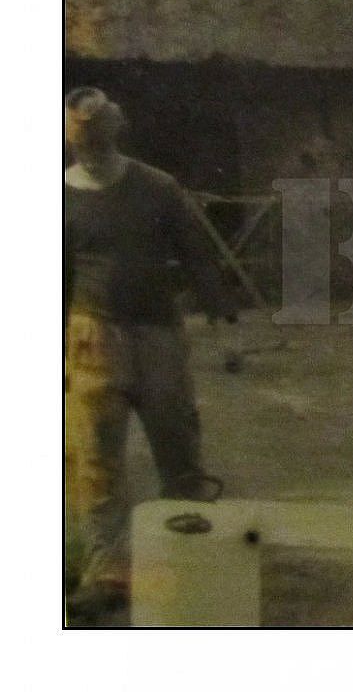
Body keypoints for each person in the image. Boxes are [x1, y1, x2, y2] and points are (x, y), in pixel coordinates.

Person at [63, 87, 238, 620]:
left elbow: (196, 252)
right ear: (70, 141)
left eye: (98, 137)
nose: (91, 149)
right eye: (82, 140)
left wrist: (221, 315)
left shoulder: (158, 188)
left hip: (159, 336)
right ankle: (106, 573)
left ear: (116, 130)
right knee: (94, 459)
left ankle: (192, 554)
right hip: (91, 338)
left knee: (178, 446)